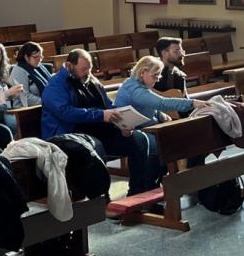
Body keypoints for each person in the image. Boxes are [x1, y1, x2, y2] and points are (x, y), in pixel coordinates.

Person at [41, 49, 158, 195]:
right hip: (71, 135)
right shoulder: (56, 84)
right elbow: (65, 113)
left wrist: (123, 123)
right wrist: (100, 115)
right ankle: (101, 198)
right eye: (83, 69)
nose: (88, 72)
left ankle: (137, 193)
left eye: (90, 68)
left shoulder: (92, 81)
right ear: (69, 65)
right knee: (96, 147)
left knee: (140, 140)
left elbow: (108, 105)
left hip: (100, 131)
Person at [114, 56, 201, 127]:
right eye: (155, 75)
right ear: (142, 72)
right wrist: (192, 103)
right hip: (140, 131)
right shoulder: (135, 90)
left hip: (149, 126)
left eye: (158, 76)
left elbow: (147, 105)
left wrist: (159, 114)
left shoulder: (134, 83)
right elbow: (161, 103)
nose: (157, 80)